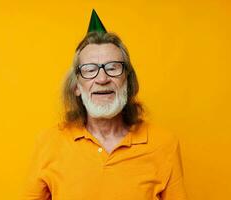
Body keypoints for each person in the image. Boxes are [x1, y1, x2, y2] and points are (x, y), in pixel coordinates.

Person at [22, 9, 187, 200]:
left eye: (113, 68)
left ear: (128, 80)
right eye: (90, 69)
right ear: (76, 86)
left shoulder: (164, 144)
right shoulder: (48, 143)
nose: (102, 78)